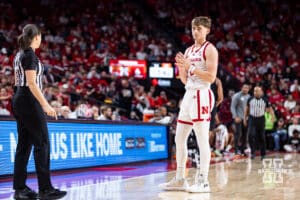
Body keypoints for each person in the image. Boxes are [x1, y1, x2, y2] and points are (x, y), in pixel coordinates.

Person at [159, 16, 218, 193]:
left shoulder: (210, 50)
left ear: (207, 30)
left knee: (201, 139)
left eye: (199, 28)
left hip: (202, 93)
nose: (195, 31)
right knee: (179, 138)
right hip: (189, 93)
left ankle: (203, 181)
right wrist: (181, 69)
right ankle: (180, 178)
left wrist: (190, 67)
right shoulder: (188, 50)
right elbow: (185, 80)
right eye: (193, 28)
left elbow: (211, 77)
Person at [12, 24, 66, 199]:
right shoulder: (29, 55)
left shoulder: (19, 54)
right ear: (35, 37)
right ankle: (45, 189)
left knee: (24, 145)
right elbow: (32, 83)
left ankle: (20, 189)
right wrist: (46, 105)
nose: (41, 40)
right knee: (42, 143)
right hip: (29, 99)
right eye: (40, 37)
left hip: (19, 99)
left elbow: (19, 82)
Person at [244, 86, 269, 160]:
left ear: (261, 92)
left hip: (261, 119)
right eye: (254, 91)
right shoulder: (250, 99)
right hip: (252, 118)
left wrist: (272, 117)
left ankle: (263, 154)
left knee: (262, 137)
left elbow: (268, 109)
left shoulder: (265, 100)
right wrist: (245, 119)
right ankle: (252, 152)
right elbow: (246, 109)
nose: (255, 92)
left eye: (257, 91)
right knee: (251, 135)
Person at [230, 83, 250, 156]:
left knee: (245, 135)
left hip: (246, 119)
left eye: (246, 88)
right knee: (238, 134)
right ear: (242, 88)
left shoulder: (249, 97)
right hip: (238, 118)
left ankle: (242, 150)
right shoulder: (236, 96)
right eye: (244, 87)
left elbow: (249, 109)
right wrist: (235, 116)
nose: (245, 89)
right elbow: (232, 107)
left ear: (248, 89)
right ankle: (236, 150)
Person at [209, 77, 223, 147]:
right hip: (209, 106)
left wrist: (213, 106)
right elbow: (220, 98)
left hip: (202, 106)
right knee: (209, 130)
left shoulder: (217, 81)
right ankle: (206, 149)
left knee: (207, 130)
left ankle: (202, 150)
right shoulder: (216, 80)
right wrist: (213, 106)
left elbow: (220, 98)